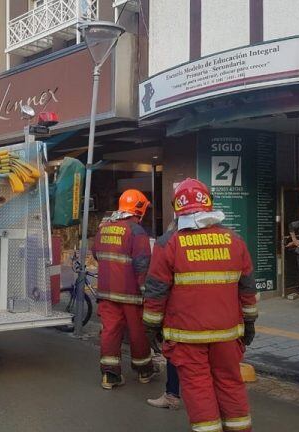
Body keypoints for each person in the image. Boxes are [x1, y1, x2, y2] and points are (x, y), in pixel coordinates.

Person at [143, 178, 257, 432]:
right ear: (208, 204)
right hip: (228, 334)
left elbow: (155, 292)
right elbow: (248, 289)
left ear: (177, 208)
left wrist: (151, 328)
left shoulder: (168, 243)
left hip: (186, 335)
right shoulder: (235, 240)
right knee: (230, 383)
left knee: (198, 386)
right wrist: (249, 323)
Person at [91, 189, 155, 389]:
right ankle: (144, 370)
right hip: (131, 294)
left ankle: (110, 375)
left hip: (106, 292)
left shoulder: (105, 227)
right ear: (139, 209)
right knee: (138, 332)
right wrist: (147, 292)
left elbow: (96, 253)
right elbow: (142, 264)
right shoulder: (136, 230)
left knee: (110, 331)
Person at [147, 219, 182, 410]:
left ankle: (172, 395)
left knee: (174, 355)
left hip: (179, 316)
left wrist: (152, 325)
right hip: (221, 321)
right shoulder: (230, 239)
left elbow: (158, 287)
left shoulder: (167, 242)